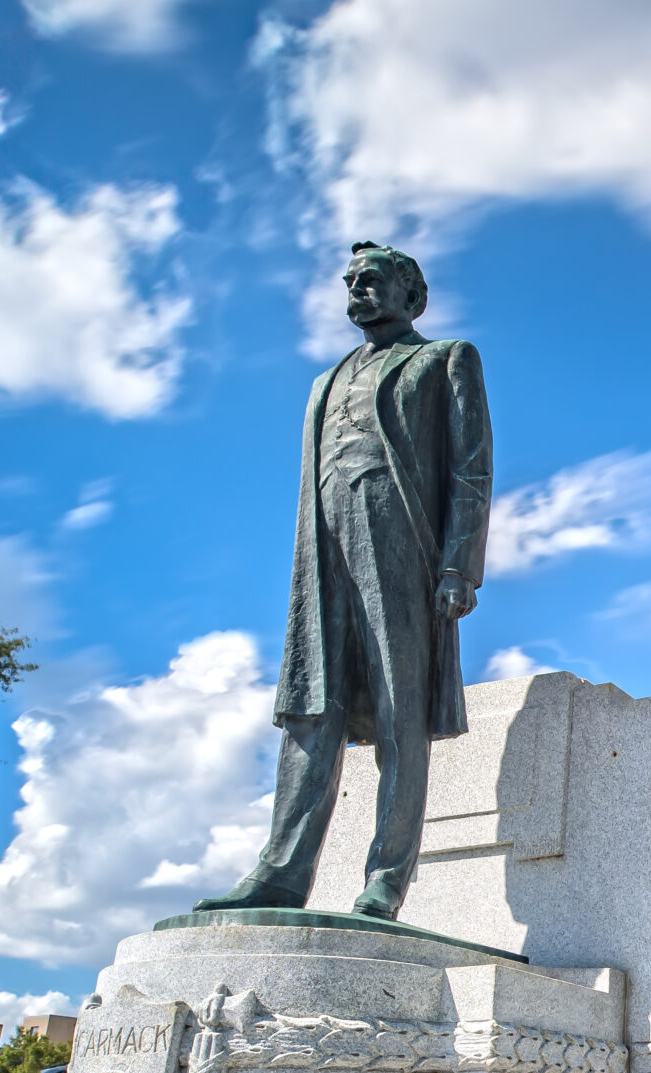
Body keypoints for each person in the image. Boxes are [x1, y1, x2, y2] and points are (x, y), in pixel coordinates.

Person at [197, 242, 491, 920]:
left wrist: (457, 565)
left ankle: (386, 880)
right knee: (309, 707)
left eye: (373, 280)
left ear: (412, 295)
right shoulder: (322, 381)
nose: (358, 290)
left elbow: (472, 468)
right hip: (323, 549)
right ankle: (280, 871)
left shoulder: (444, 358)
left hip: (404, 546)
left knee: (400, 711)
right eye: (351, 281)